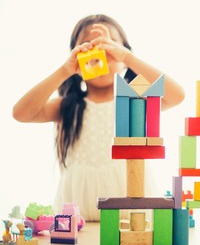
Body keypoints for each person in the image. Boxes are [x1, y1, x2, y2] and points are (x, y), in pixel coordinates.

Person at [12, 14, 185, 221]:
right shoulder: (68, 105)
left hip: (130, 206)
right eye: (88, 46)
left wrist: (127, 58)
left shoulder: (135, 100)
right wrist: (64, 71)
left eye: (109, 45)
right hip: (77, 210)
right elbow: (20, 113)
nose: (100, 54)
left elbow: (177, 95)